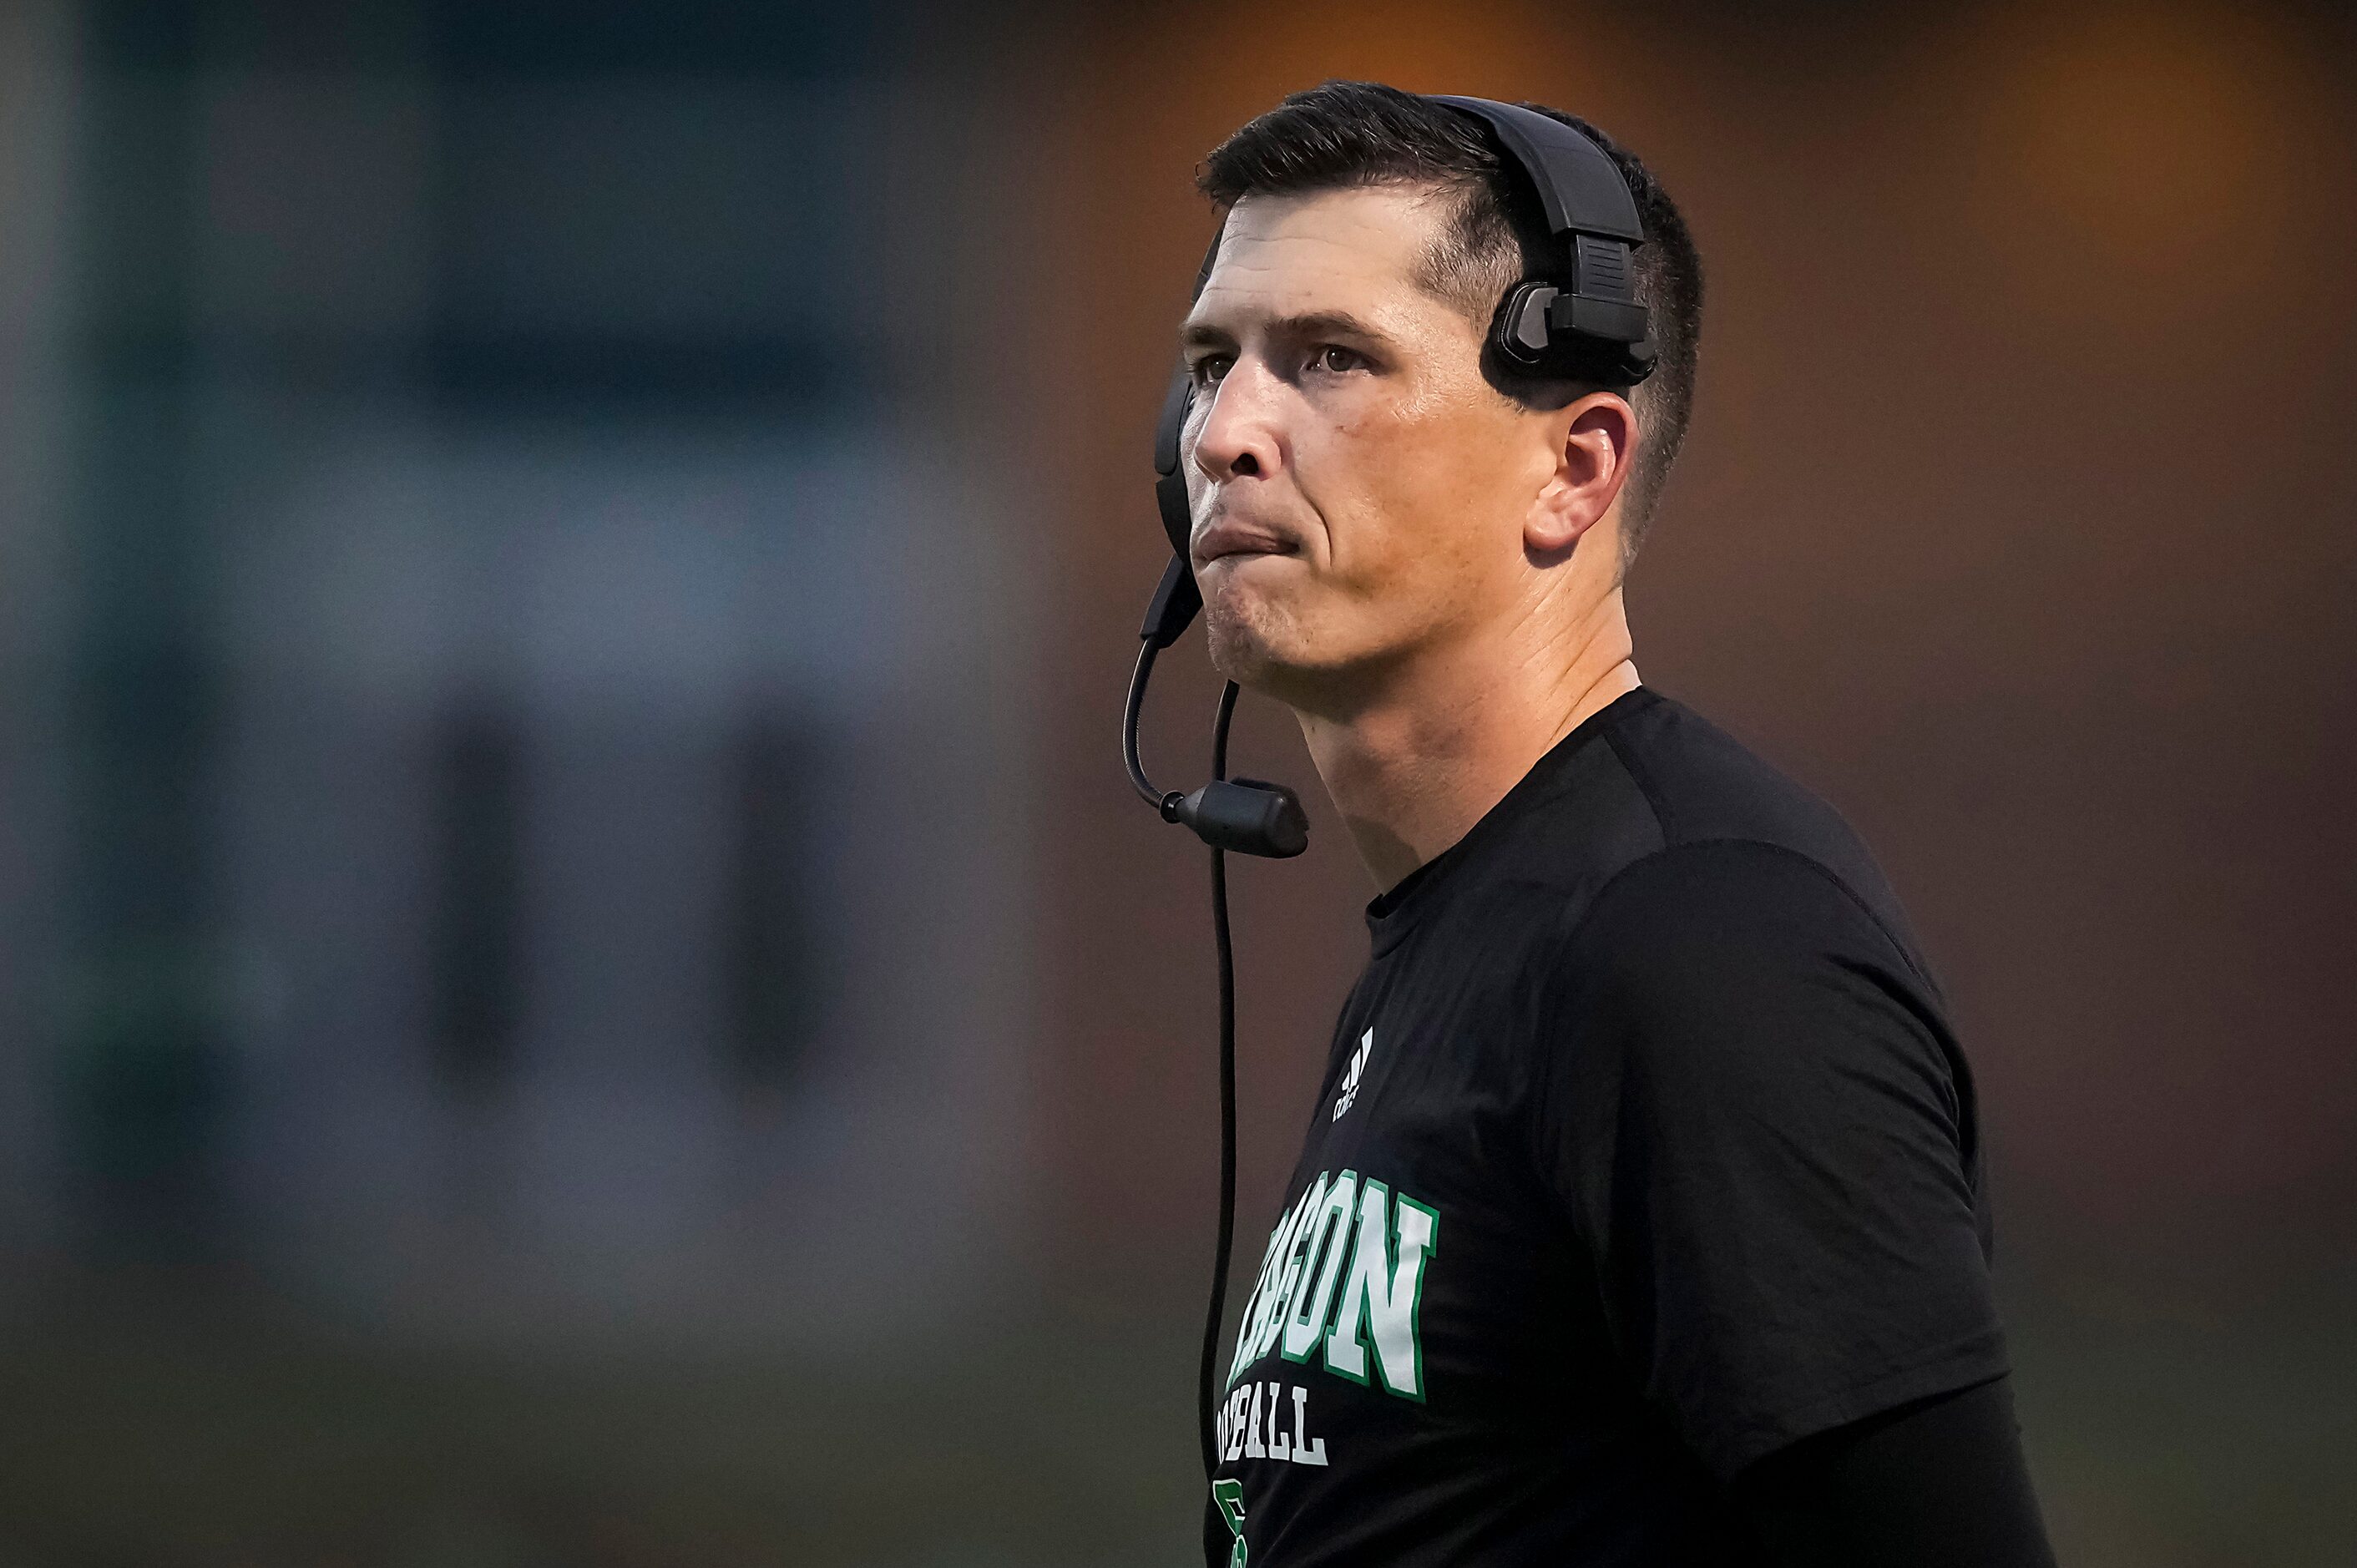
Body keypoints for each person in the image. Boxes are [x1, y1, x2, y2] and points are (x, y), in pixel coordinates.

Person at [1176, 82, 2055, 1566]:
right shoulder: (1464, 934)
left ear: (1574, 467)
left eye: (1330, 358)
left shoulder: (1700, 946)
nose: (1225, 433)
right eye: (1212, 364)